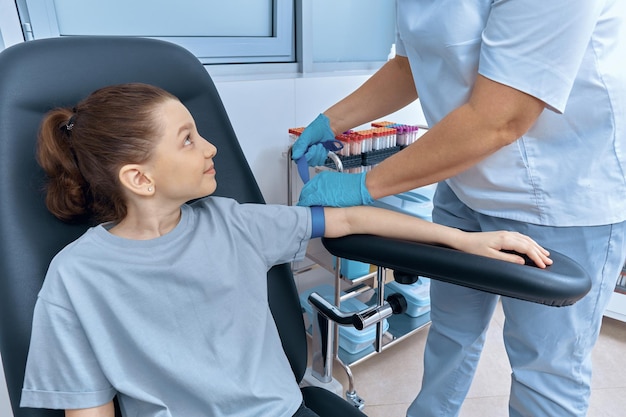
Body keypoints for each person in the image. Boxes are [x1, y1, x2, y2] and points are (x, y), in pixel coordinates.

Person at [19, 83, 551, 417]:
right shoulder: (76, 278)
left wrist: (465, 239)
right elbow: (87, 407)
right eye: (186, 139)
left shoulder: (233, 222)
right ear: (138, 177)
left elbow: (348, 217)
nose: (211, 147)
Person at [291, 1, 626, 416]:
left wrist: (362, 185)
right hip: (464, 180)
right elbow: (410, 65)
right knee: (450, 332)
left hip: (558, 191)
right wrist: (331, 120)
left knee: (546, 371)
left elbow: (501, 118)